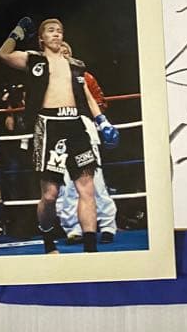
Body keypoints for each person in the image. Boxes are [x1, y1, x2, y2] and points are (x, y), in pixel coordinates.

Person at [0, 16, 120, 254]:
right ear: (41, 38)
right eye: (51, 30)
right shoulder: (33, 59)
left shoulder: (76, 65)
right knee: (50, 194)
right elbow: (2, 55)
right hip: (48, 126)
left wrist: (102, 121)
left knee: (87, 189)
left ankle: (91, 249)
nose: (56, 34)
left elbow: (86, 95)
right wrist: (17, 32)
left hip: (75, 125)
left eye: (59, 31)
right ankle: (48, 240)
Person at [55, 41, 118, 243]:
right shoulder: (44, 76)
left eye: (66, 51)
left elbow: (96, 100)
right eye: (59, 51)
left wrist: (102, 121)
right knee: (66, 182)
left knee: (95, 178)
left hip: (83, 126)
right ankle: (73, 228)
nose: (63, 54)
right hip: (57, 129)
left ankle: (107, 225)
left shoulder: (82, 75)